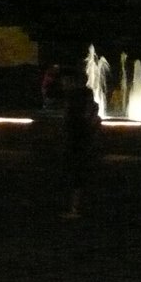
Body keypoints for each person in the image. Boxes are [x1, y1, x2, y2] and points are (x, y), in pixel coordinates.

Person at [61, 86, 100, 219]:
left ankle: (75, 208)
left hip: (77, 147)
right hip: (85, 147)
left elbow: (70, 128)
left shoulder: (75, 115)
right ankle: (78, 207)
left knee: (77, 177)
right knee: (80, 178)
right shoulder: (91, 111)